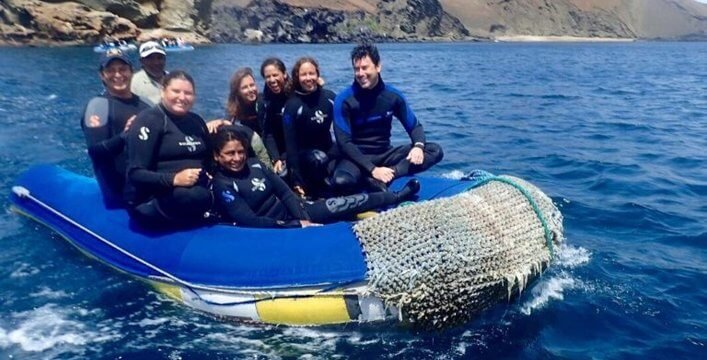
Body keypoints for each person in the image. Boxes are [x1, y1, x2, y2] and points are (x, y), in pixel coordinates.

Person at [210, 128, 420, 228]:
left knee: (352, 202)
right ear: (217, 156)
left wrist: (303, 216)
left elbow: (283, 191)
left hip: (298, 211)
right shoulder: (223, 184)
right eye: (230, 153)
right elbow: (249, 221)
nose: (237, 158)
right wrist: (296, 225)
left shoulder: (254, 165)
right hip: (275, 228)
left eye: (240, 151)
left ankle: (397, 197)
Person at [332, 43, 444, 193]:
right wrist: (372, 169)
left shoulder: (392, 96)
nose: (360, 73)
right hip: (357, 157)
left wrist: (418, 146)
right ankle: (371, 177)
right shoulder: (344, 100)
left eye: (365, 68)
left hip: (385, 154)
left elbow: (415, 126)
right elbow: (344, 143)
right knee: (342, 182)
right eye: (356, 69)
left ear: (378, 67)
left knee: (434, 150)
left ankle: (391, 174)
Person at [125, 70, 212, 228]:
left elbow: (210, 162)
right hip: (155, 199)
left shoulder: (197, 121)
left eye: (188, 93)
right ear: (163, 91)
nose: (182, 97)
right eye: (176, 91)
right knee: (188, 195)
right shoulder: (149, 120)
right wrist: (174, 179)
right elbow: (134, 174)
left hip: (195, 194)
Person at [81, 49, 151, 208]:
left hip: (149, 182)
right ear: (102, 75)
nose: (118, 75)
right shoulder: (98, 106)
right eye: (110, 70)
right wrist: (125, 135)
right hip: (120, 192)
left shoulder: (145, 104)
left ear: (131, 71)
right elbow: (96, 152)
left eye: (122, 69)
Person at [282, 57, 337, 198]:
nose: (308, 78)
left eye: (311, 73)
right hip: (304, 156)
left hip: (327, 150)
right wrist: (296, 180)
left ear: (318, 75)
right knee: (319, 158)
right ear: (297, 77)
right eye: (303, 74)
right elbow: (291, 146)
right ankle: (312, 190)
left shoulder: (329, 97)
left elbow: (343, 129)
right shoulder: (292, 106)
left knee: (345, 149)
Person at [259, 58, 292, 175]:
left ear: (284, 74)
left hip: (298, 145)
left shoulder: (295, 94)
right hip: (279, 149)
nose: (272, 80)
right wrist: (276, 158)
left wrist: (284, 157)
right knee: (280, 174)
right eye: (267, 77)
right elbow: (268, 133)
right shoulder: (265, 101)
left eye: (275, 75)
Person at [131, 41, 167, 106]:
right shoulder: (132, 83)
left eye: (159, 58)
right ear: (141, 61)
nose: (156, 62)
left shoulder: (174, 79)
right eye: (150, 58)